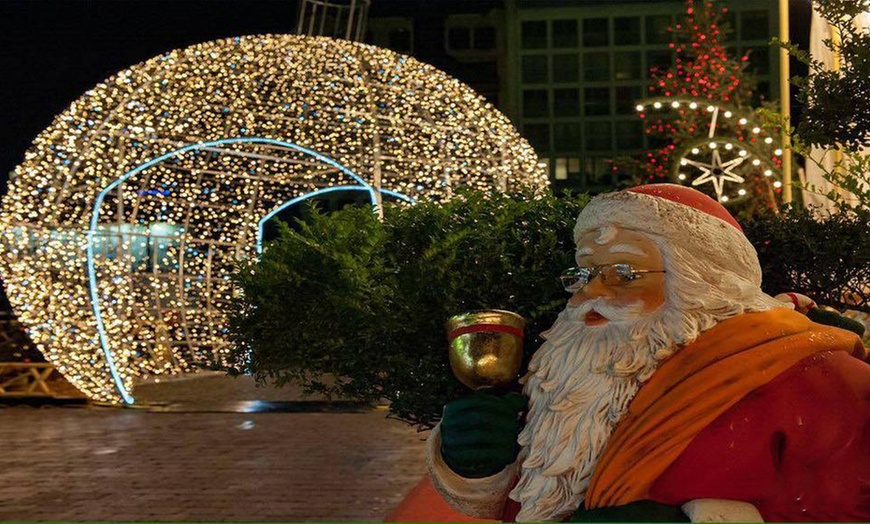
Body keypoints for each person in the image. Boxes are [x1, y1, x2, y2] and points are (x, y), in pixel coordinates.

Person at [403, 184, 869, 522]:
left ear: (701, 281)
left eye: (624, 273)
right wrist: (477, 467)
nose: (591, 296)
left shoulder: (821, 381)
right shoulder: (568, 374)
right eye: (585, 273)